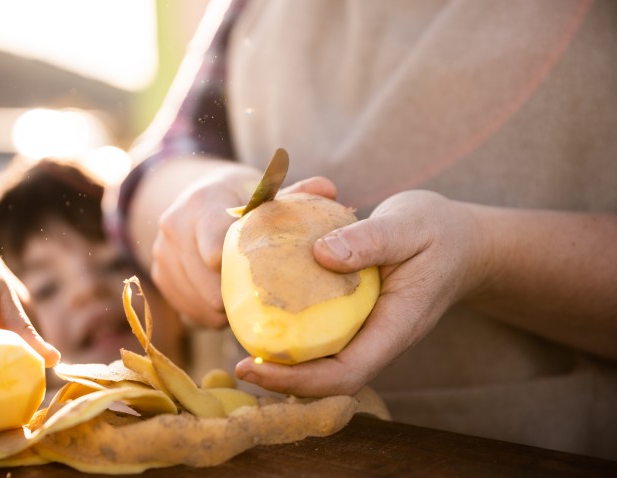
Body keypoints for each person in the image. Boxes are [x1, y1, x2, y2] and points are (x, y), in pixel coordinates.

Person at [106, 0, 617, 459]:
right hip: (259, 453)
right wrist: (200, 190)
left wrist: (482, 250)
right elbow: (157, 165)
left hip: (529, 448)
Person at [0, 157, 186, 425]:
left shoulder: (229, 374)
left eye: (114, 263)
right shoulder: (7, 435)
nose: (87, 290)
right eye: (46, 288)